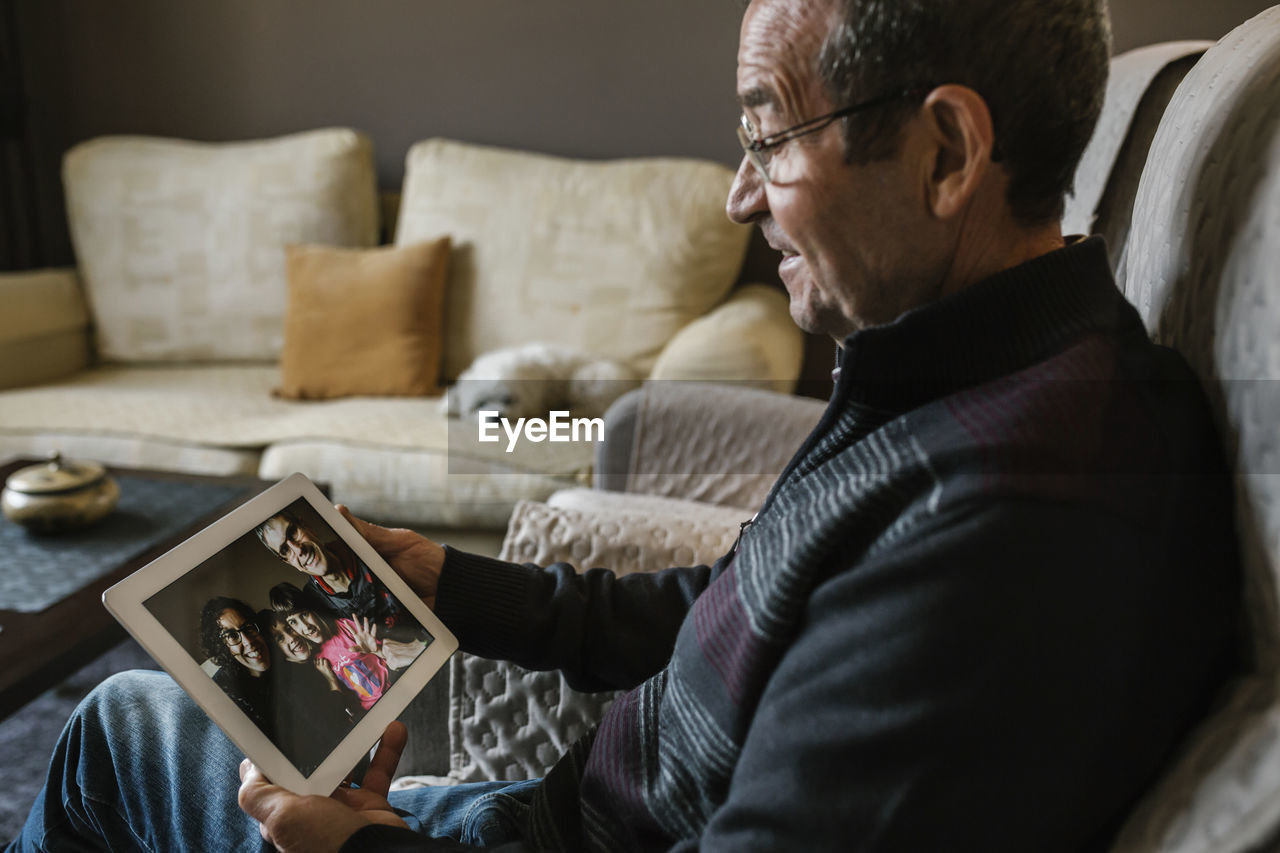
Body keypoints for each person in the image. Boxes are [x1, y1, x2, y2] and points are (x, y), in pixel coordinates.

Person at [6, 0, 1242, 850]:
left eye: (766, 133)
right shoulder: (951, 367)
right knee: (144, 708)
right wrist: (451, 577)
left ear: (946, 150)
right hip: (561, 814)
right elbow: (740, 605)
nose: (735, 191)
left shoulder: (1003, 520)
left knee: (115, 727)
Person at [254, 509, 404, 631]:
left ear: (306, 525)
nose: (298, 550)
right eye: (285, 550)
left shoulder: (358, 545)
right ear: (287, 562)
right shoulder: (312, 601)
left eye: (293, 532)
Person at [262, 611, 360, 776]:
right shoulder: (289, 684)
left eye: (289, 628)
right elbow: (330, 725)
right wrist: (332, 681)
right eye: (280, 638)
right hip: (342, 767)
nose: (291, 638)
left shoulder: (314, 658)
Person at [269, 582, 392, 712]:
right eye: (293, 622)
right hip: (372, 711)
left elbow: (390, 655)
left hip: (392, 686)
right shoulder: (317, 661)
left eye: (304, 615)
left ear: (312, 610)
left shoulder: (345, 627)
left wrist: (376, 650)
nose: (305, 626)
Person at [198, 597, 276, 740]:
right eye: (232, 636)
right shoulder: (225, 696)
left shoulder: (283, 657)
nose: (248, 642)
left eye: (248, 628)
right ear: (222, 647)